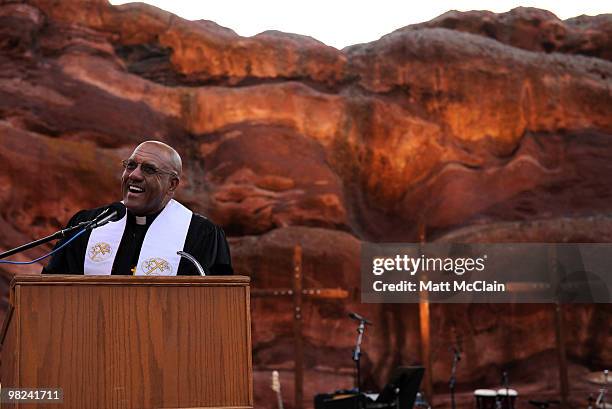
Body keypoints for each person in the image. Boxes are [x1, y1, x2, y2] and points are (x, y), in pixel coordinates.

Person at [44, 141, 233, 276]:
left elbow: (217, 302)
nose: (134, 175)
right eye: (131, 165)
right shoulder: (87, 226)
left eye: (149, 170)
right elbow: (50, 289)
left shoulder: (201, 235)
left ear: (172, 185)